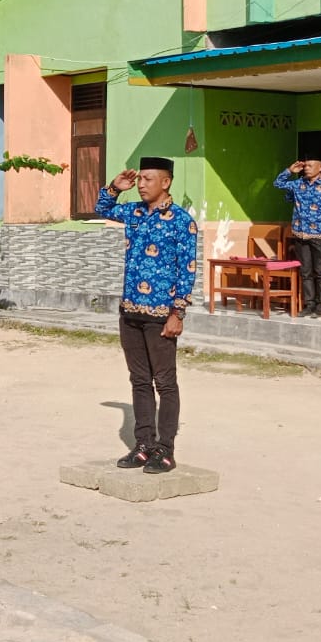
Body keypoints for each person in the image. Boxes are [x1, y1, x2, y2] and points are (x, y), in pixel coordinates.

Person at [96, 157, 198, 474]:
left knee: (164, 383)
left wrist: (177, 312)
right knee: (139, 381)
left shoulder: (182, 222)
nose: (141, 185)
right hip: (130, 312)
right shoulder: (135, 214)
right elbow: (102, 209)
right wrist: (115, 188)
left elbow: (188, 269)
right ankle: (143, 446)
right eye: (139, 179)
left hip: (161, 313)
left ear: (165, 182)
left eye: (148, 179)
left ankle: (165, 450)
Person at [274, 156, 321, 318]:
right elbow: (278, 184)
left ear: (320, 167)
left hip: (320, 234)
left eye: (310, 166)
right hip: (300, 234)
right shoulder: (298, 184)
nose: (306, 168)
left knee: (320, 272)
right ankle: (309, 305)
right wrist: (290, 171)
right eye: (305, 166)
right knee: (305, 272)